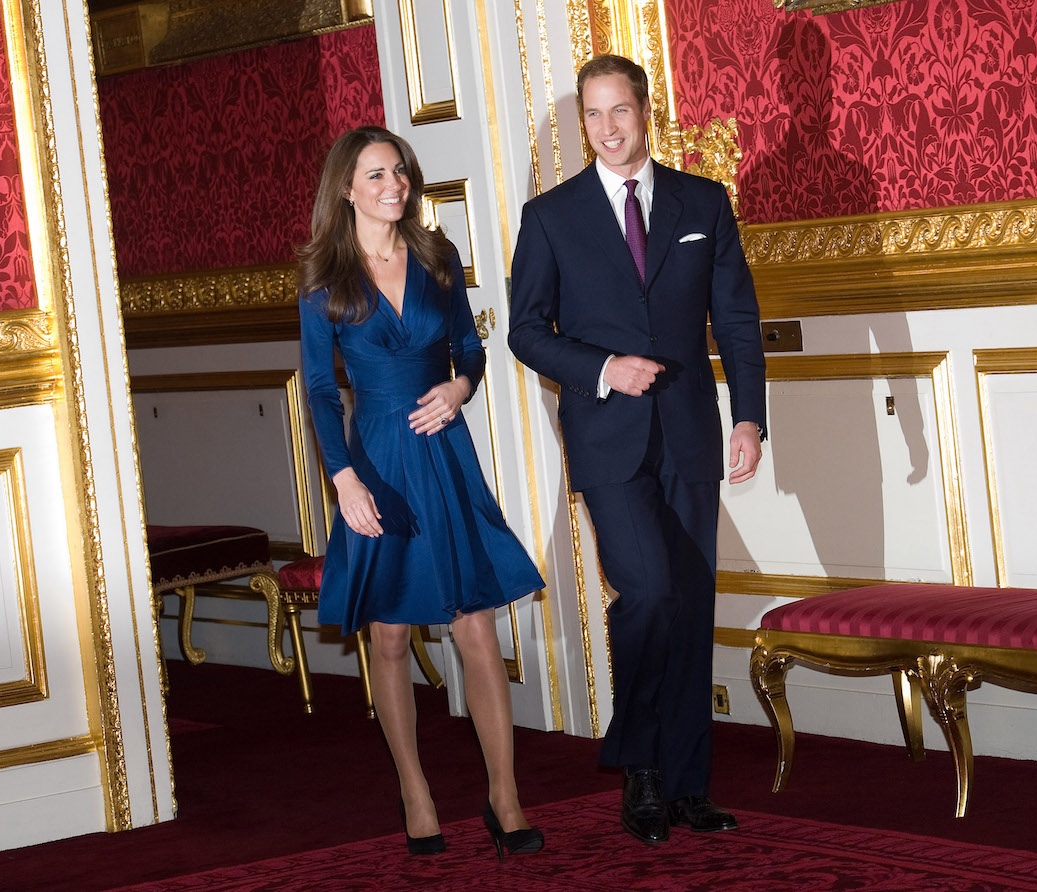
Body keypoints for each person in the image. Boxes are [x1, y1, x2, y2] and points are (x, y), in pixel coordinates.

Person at [509, 55, 767, 844]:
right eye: (593, 115)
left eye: (620, 111)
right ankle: (642, 763)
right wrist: (602, 370)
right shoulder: (552, 217)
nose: (609, 128)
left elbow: (737, 320)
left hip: (689, 435)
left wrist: (749, 419)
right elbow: (526, 331)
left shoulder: (702, 201)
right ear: (581, 125)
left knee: (690, 609)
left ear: (646, 112)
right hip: (607, 442)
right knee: (649, 591)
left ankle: (687, 785)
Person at [299, 125, 545, 862]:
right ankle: (415, 790)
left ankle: (504, 795)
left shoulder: (438, 256)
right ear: (347, 187)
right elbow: (317, 389)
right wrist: (342, 480)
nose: (393, 185)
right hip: (373, 463)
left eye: (399, 172)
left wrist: (459, 386)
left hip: (443, 456)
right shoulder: (323, 278)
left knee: (475, 627)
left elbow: (468, 346)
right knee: (390, 635)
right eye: (376, 175)